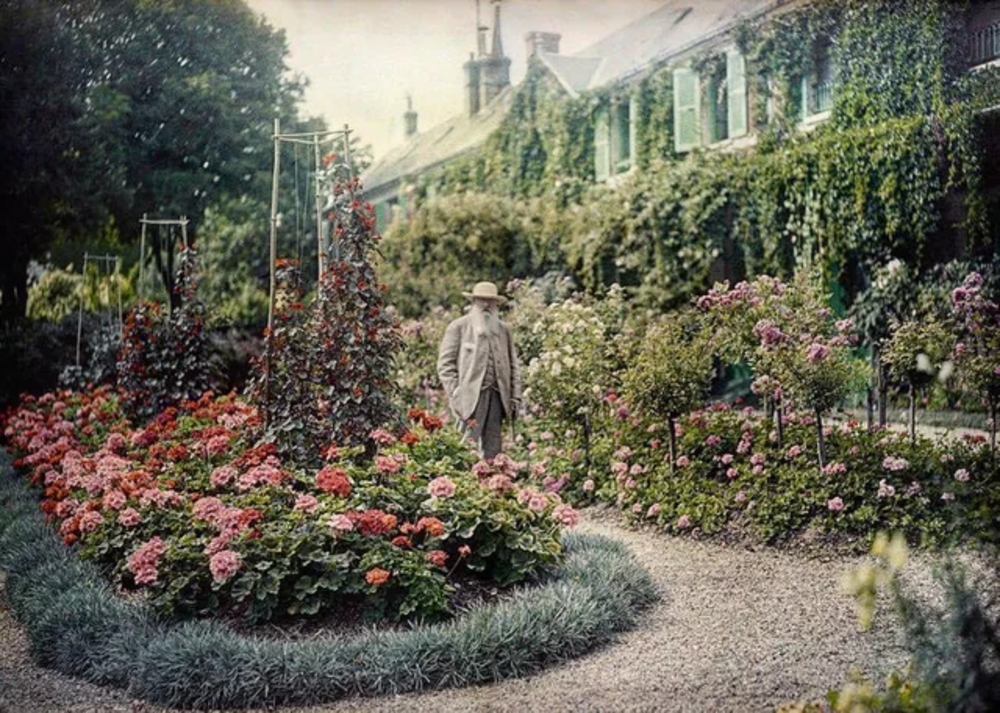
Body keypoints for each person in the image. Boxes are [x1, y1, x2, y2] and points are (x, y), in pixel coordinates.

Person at [437, 281, 521, 459]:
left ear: (496, 304)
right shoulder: (458, 327)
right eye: (481, 300)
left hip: (498, 397)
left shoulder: (504, 330)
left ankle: (492, 483)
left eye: (490, 301)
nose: (486, 305)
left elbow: (514, 365)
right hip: (469, 398)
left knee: (494, 450)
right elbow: (445, 365)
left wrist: (515, 396)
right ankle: (460, 484)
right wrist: (456, 392)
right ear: (474, 302)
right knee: (465, 448)